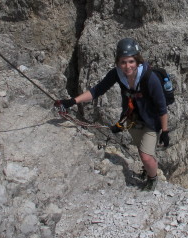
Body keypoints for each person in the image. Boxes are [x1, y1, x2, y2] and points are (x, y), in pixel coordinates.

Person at [56, 38, 169, 191]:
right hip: (132, 119)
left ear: (137, 61)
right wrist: (72, 101)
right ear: (118, 62)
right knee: (141, 147)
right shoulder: (117, 74)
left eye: (131, 61)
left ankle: (152, 179)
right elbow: (97, 90)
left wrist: (165, 131)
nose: (127, 66)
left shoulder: (150, 78)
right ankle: (147, 169)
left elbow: (162, 108)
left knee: (146, 156)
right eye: (123, 62)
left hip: (151, 121)